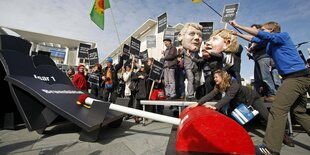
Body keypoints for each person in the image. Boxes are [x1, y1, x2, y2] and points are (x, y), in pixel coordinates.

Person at [230, 20, 310, 154]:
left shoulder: (283, 36)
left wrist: (238, 25)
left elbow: (261, 35)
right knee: (298, 112)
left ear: (272, 30)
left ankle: (270, 148)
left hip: (295, 77)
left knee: (278, 109)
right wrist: (237, 34)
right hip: (297, 78)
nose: (262, 31)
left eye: (264, 29)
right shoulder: (269, 43)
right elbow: (254, 38)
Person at [178, 23, 203, 101]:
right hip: (188, 67)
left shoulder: (198, 51)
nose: (196, 38)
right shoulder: (183, 50)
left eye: (199, 35)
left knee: (197, 81)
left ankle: (194, 93)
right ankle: (190, 95)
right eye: (192, 34)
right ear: (180, 37)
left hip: (196, 67)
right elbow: (178, 55)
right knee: (191, 79)